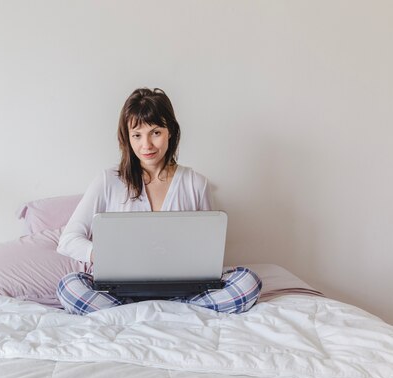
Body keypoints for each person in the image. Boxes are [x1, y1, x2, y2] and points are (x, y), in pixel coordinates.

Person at [56, 87, 261, 315]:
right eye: (137, 135)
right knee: (69, 286)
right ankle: (175, 315)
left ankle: (140, 314)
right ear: (127, 138)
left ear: (170, 131)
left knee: (248, 282)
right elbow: (68, 240)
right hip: (121, 291)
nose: (147, 145)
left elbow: (206, 251)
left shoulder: (195, 183)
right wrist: (105, 254)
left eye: (155, 132)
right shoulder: (108, 180)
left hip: (185, 290)